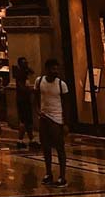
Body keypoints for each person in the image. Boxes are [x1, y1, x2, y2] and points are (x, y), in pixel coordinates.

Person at [35, 58, 69, 187]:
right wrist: (38, 110)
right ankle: (48, 173)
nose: (56, 71)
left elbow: (66, 104)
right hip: (44, 117)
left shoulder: (62, 84)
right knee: (46, 147)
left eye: (57, 68)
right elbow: (36, 96)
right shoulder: (39, 82)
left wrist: (65, 123)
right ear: (47, 69)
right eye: (53, 68)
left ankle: (62, 176)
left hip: (57, 119)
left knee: (60, 148)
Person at [13, 57, 38, 149]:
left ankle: (31, 139)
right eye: (24, 63)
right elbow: (21, 87)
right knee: (24, 120)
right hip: (22, 100)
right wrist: (30, 91)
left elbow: (32, 72)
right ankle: (20, 140)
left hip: (25, 99)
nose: (26, 64)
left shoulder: (25, 72)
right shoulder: (20, 74)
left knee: (28, 121)